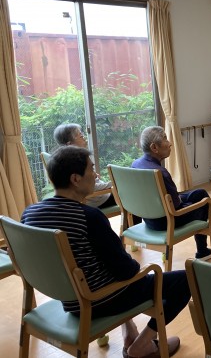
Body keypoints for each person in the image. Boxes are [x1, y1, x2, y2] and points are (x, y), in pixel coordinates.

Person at [21, 146, 188, 358]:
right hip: (98, 300)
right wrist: (138, 266)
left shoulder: (30, 213)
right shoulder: (89, 217)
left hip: (68, 299)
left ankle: (129, 333)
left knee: (106, 268)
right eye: (91, 169)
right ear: (75, 179)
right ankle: (143, 345)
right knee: (186, 280)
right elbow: (127, 271)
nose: (96, 174)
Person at [132, 126, 211, 260]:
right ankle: (203, 251)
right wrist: (189, 203)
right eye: (165, 139)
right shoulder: (161, 173)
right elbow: (176, 205)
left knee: (200, 193)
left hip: (150, 219)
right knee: (205, 205)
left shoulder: (135, 165)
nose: (170, 143)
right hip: (166, 221)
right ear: (154, 147)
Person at [53, 123, 114, 208]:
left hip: (96, 195)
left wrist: (92, 175)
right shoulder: (78, 161)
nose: (84, 137)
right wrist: (114, 183)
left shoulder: (64, 159)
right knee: (129, 194)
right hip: (99, 199)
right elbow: (90, 187)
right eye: (80, 136)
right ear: (70, 144)